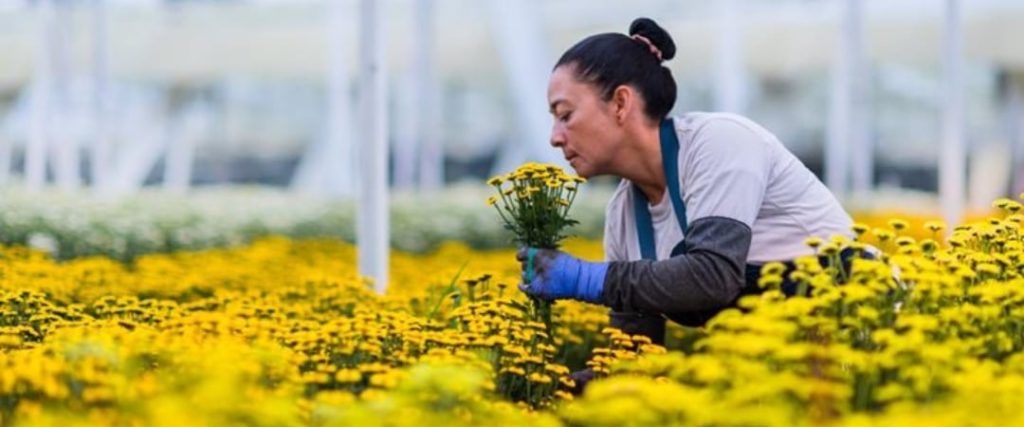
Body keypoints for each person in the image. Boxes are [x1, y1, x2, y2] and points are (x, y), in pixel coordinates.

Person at [517, 17, 860, 349]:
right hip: (777, 363)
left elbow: (713, 275)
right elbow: (633, 353)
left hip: (861, 332)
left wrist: (584, 279)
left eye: (565, 115)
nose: (555, 138)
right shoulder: (622, 216)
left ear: (620, 103)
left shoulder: (719, 143)